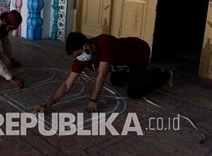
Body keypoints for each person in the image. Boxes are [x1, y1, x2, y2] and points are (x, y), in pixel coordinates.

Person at [35, 32, 173, 113]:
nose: (78, 58)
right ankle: (146, 73)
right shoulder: (81, 58)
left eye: (79, 54)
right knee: (116, 81)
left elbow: (101, 75)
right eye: (75, 56)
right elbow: (67, 84)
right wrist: (48, 104)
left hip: (138, 53)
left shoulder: (105, 43)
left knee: (134, 93)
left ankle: (165, 75)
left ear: (87, 46)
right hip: (120, 65)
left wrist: (93, 100)